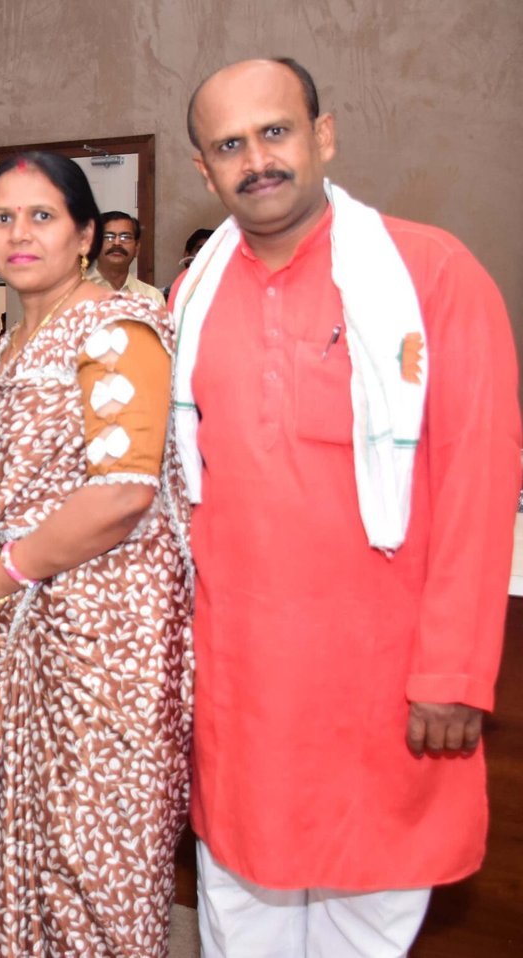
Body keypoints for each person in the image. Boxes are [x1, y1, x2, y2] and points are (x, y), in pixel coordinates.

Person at [175, 57, 520, 957]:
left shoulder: (431, 275)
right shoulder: (192, 299)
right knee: (237, 923)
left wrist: (454, 672)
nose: (257, 160)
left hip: (381, 691)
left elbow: (480, 483)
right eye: (229, 145)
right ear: (205, 172)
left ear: (323, 136)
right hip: (242, 693)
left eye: (275, 131)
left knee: (363, 931)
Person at [0, 152, 193, 954]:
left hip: (104, 645)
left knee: (92, 869)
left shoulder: (116, 328)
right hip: (22, 642)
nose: (19, 234)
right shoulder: (4, 348)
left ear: (85, 235)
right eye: (2, 218)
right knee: (25, 854)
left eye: (41, 216)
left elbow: (122, 494)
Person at [87, 209, 167, 308]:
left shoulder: (151, 296)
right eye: (109, 237)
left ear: (137, 248)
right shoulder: (77, 291)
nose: (117, 243)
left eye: (125, 237)